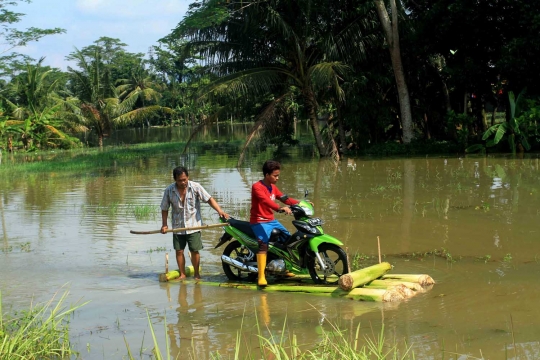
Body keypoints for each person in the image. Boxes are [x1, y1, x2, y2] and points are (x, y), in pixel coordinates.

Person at [161, 166, 228, 280]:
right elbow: (164, 208)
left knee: (194, 250)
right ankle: (182, 274)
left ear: (188, 177)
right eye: (179, 180)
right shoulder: (169, 190)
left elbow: (209, 199)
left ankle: (196, 274)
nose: (183, 182)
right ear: (175, 180)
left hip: (194, 225)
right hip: (178, 226)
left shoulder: (195, 187)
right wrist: (164, 224)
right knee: (179, 251)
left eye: (184, 179)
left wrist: (220, 211)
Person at [250, 160, 299, 286]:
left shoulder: (273, 187)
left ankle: (284, 269)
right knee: (263, 245)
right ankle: (261, 276)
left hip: (271, 221)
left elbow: (285, 199)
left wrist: (301, 203)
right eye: (275, 175)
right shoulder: (257, 187)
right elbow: (266, 201)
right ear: (267, 175)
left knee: (288, 239)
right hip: (258, 221)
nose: (277, 178)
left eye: (278, 175)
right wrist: (280, 208)